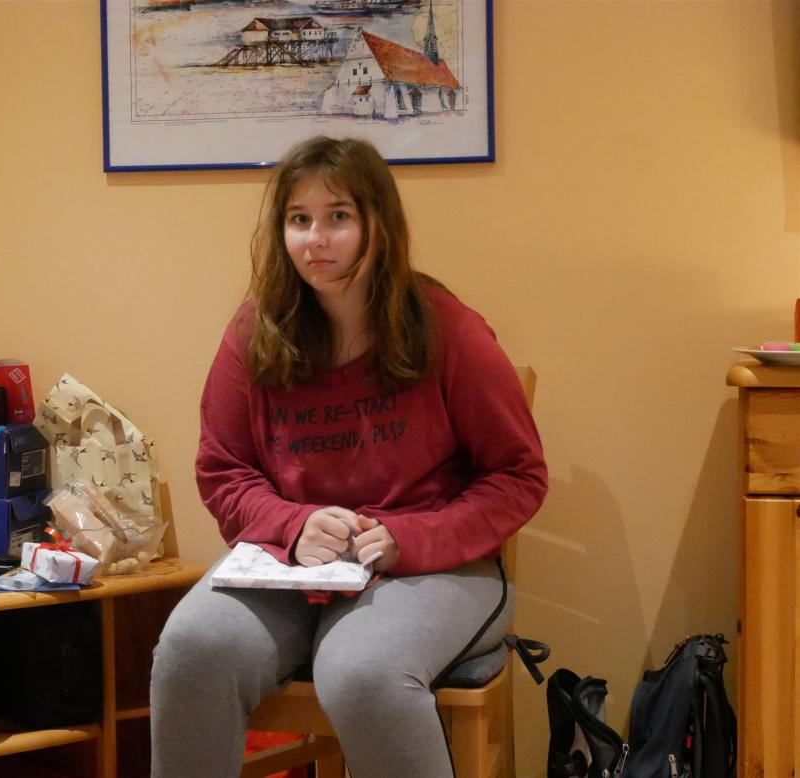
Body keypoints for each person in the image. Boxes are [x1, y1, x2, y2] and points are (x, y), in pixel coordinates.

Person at [150, 136, 547, 778]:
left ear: (377, 223)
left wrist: (407, 540)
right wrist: (294, 524)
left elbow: (517, 475)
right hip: (290, 565)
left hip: (432, 566)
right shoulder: (255, 332)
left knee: (363, 672)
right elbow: (223, 471)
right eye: (298, 219)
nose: (316, 240)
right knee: (191, 650)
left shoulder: (449, 329)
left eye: (338, 216)